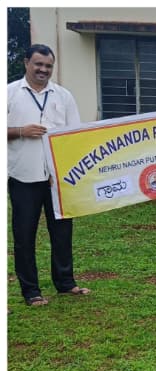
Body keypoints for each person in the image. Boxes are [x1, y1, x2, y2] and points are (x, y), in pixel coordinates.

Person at [8, 44, 86, 306]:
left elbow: (74, 135)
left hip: (57, 179)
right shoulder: (9, 93)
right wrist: (20, 131)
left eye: (48, 66)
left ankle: (65, 283)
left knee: (62, 232)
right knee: (24, 234)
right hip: (23, 177)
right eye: (38, 64)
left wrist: (64, 170)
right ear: (26, 63)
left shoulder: (63, 96)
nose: (43, 70)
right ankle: (31, 291)